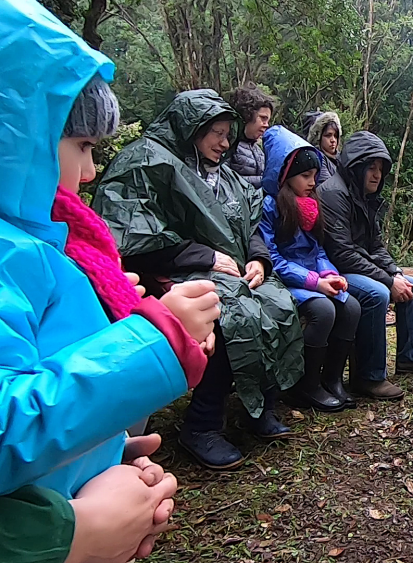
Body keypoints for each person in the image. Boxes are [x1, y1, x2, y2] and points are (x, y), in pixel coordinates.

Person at [0, 0, 219, 558]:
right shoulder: (13, 253)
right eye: (82, 146)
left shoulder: (46, 243)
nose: (92, 170)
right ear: (19, 137)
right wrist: (157, 336)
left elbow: (43, 366)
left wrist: (99, 452)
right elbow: (10, 426)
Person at [93, 89, 306, 470]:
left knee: (277, 304)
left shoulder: (222, 173)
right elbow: (128, 236)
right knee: (229, 316)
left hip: (231, 268)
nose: (225, 143)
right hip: (167, 272)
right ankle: (202, 425)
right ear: (192, 129)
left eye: (228, 134)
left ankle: (258, 406)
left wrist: (258, 259)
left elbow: (249, 221)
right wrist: (204, 256)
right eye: (218, 133)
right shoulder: (146, 161)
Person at [318, 131, 413, 401]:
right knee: (377, 294)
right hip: (331, 269)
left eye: (380, 169)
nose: (377, 175)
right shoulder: (333, 193)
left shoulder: (363, 196)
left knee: (411, 285)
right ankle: (368, 376)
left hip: (356, 265)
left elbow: (375, 246)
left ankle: (412, 357)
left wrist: (396, 273)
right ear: (356, 166)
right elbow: (342, 252)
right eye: (371, 168)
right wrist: (387, 281)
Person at [260, 125, 362, 411]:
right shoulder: (270, 207)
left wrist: (330, 273)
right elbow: (273, 259)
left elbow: (317, 250)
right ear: (286, 174)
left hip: (313, 277)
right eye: (305, 176)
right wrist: (315, 282)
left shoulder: (310, 205)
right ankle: (306, 386)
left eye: (315, 176)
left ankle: (332, 380)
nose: (312, 182)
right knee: (323, 310)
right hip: (284, 281)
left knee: (351, 306)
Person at [228, 83, 275, 189]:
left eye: (268, 121)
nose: (266, 125)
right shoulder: (227, 145)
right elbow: (225, 181)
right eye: (263, 118)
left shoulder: (259, 151)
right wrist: (266, 181)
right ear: (247, 114)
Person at [307, 111, 343, 186]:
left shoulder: (341, 158)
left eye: (335, 136)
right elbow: (328, 188)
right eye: (328, 135)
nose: (333, 140)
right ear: (319, 138)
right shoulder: (318, 158)